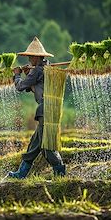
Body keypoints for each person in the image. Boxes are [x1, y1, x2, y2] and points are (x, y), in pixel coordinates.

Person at [5, 37, 66, 179]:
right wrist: (28, 75)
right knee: (35, 143)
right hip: (50, 110)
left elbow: (20, 87)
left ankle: (61, 174)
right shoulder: (46, 69)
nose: (29, 59)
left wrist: (17, 75)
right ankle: (21, 173)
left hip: (46, 110)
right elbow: (35, 88)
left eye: (30, 57)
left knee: (47, 147)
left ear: (37, 57)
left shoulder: (38, 70)